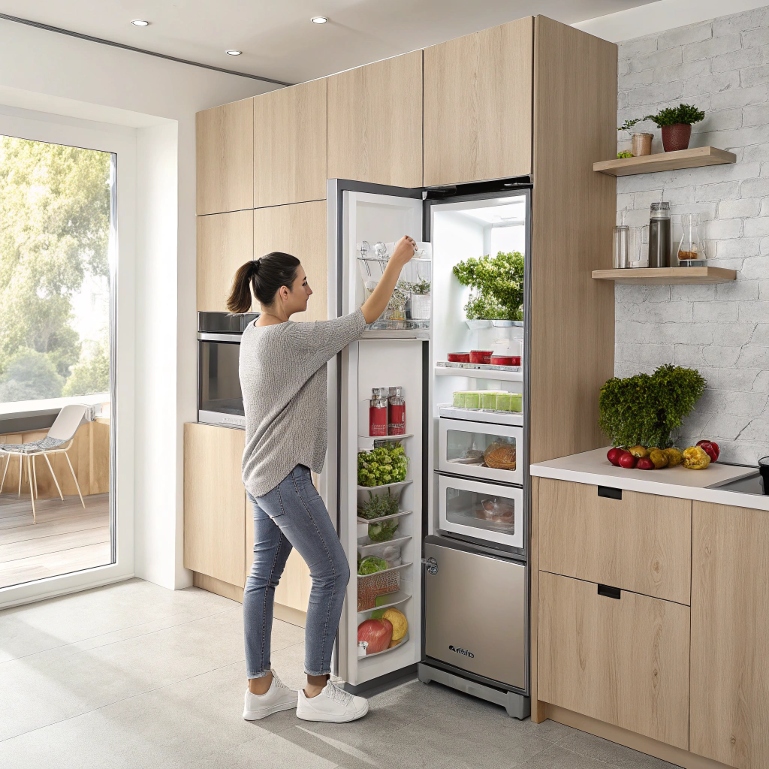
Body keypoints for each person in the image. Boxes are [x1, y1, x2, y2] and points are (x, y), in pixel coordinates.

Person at [227, 235, 417, 723]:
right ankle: (315, 691)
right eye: (305, 283)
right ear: (284, 293)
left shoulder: (254, 333)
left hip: (261, 472)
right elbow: (363, 318)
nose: (311, 290)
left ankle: (261, 688)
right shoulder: (289, 339)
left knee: (262, 577)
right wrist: (395, 262)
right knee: (333, 571)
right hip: (284, 477)